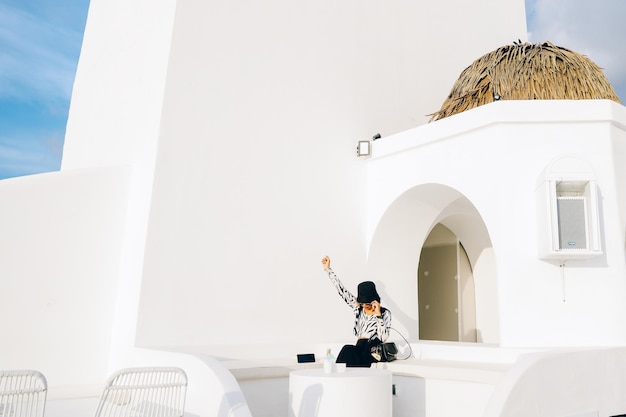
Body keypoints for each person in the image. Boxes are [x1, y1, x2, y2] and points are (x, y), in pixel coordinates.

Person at [321, 255, 392, 367]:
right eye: (362, 303)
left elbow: (383, 337)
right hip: (359, 346)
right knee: (347, 350)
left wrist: (378, 314)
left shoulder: (384, 313)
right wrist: (328, 269)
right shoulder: (359, 309)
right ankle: (336, 378)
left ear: (374, 301)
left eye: (367, 303)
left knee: (349, 352)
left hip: (373, 350)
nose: (365, 306)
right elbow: (342, 291)